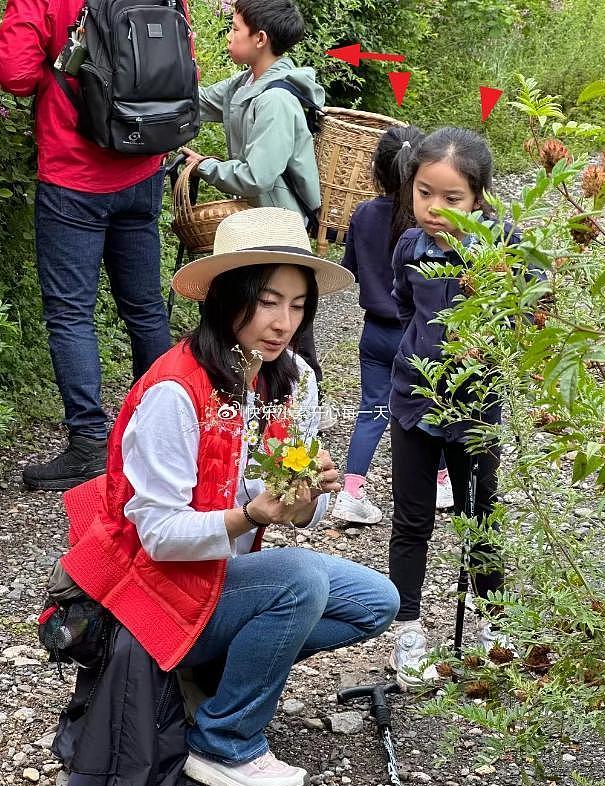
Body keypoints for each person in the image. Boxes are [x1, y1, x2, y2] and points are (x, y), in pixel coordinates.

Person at [56, 207, 400, 786]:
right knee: (297, 579)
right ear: (224, 296)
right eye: (267, 301)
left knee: (377, 602)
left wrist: (301, 503)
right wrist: (250, 518)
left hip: (220, 577)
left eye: (297, 305)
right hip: (150, 586)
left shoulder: (290, 378)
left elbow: (292, 510)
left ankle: (219, 676)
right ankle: (225, 741)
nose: (282, 323)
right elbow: (157, 534)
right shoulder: (175, 389)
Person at [0, 0, 174, 491]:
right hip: (142, 163)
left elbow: (13, 72)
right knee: (143, 308)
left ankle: (88, 446)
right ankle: (161, 433)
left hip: (73, 174)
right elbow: (182, 63)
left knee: (71, 314)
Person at [388, 127, 510, 689]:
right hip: (415, 394)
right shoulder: (409, 248)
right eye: (424, 192)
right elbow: (405, 303)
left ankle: (491, 623)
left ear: (479, 197)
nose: (434, 208)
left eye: (452, 198)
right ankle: (408, 629)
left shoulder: (502, 249)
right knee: (411, 518)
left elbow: (527, 314)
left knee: (479, 513)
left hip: (478, 402)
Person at [181, 0, 329, 425]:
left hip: (279, 224)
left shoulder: (277, 101)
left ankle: (303, 413)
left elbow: (257, 176)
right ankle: (250, 408)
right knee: (252, 317)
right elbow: (198, 102)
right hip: (254, 225)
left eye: (235, 27)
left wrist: (204, 166)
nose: (229, 35)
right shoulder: (246, 84)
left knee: (286, 321)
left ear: (260, 39)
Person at [331, 125, 424, 525]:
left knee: (372, 409)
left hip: (374, 333)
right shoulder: (425, 227)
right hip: (416, 333)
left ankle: (351, 492)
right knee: (427, 408)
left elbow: (349, 270)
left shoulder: (364, 213)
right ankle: (438, 482)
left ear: (377, 172)